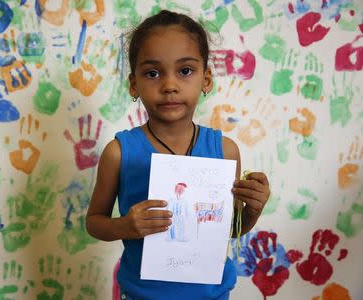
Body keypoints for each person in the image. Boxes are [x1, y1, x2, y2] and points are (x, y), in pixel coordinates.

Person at [86, 10, 271, 300]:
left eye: (185, 71)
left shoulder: (225, 152)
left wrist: (253, 210)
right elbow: (94, 221)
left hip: (212, 295)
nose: (169, 85)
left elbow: (229, 230)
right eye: (152, 73)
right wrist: (124, 226)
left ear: (206, 79)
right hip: (141, 295)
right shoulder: (119, 153)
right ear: (134, 84)